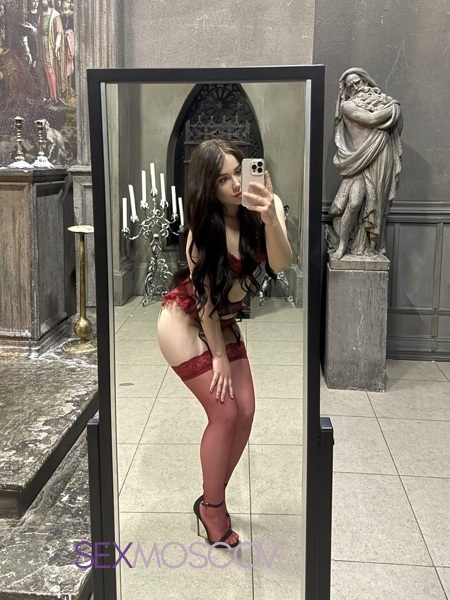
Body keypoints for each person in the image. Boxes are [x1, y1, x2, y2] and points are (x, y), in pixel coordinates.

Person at [157, 139, 292, 548]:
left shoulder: (269, 206)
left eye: (238, 171)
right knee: (225, 412)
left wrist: (270, 219)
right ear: (208, 187)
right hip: (185, 320)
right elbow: (205, 303)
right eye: (222, 179)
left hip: (224, 317)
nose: (235, 184)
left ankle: (209, 495)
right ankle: (214, 508)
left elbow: (281, 262)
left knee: (246, 410)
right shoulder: (201, 234)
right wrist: (217, 356)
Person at [328, 68, 403, 260]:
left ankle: (371, 247)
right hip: (360, 160)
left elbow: (397, 126)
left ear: (366, 81)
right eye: (350, 86)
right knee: (354, 203)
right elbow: (372, 119)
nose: (355, 87)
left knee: (378, 201)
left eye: (358, 82)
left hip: (382, 157)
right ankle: (342, 244)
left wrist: (393, 108)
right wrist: (394, 108)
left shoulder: (382, 100)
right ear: (346, 90)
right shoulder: (348, 106)